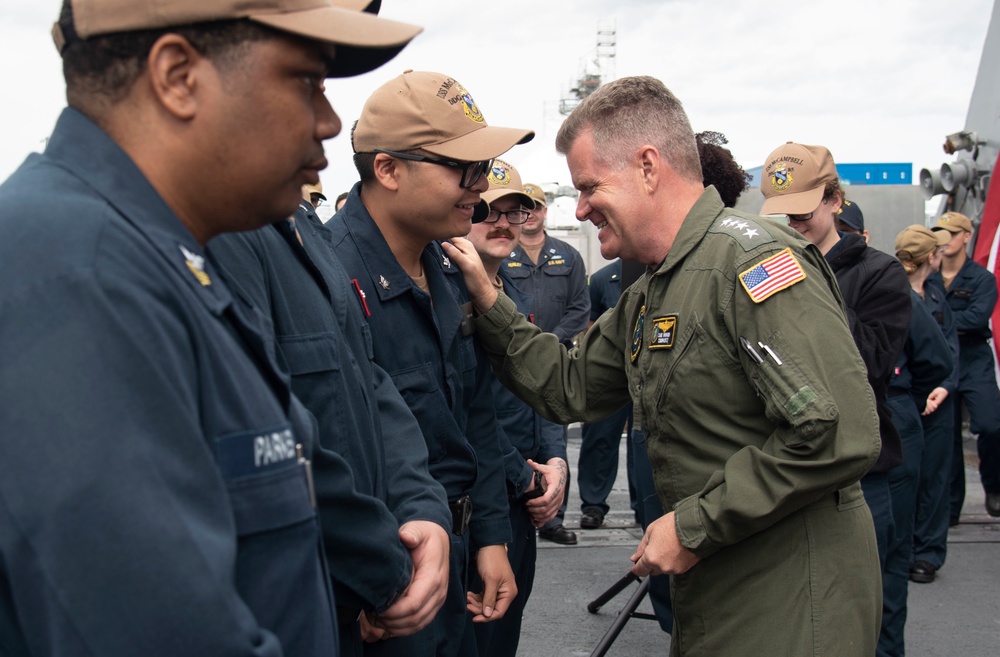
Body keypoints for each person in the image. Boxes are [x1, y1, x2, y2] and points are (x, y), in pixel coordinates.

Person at [0, 1, 422, 655]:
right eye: (305, 81)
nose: (330, 122)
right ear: (177, 76)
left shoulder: (160, 258)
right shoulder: (75, 273)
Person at [443, 75, 882, 656]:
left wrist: (693, 525)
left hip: (787, 594)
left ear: (648, 166)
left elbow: (838, 433)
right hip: (718, 580)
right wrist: (491, 301)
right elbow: (570, 385)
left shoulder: (750, 262)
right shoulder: (658, 286)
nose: (578, 208)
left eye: (589, 186)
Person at [326, 69, 533, 656]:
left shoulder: (446, 273)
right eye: (464, 170)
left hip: (459, 564)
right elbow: (331, 454)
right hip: (391, 585)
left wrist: (491, 535)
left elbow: (477, 418)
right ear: (388, 169)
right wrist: (363, 577)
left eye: (485, 170)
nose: (480, 188)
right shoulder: (331, 282)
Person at [209, 176, 452, 651]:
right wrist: (386, 570)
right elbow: (272, 440)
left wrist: (423, 511)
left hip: (352, 596)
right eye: (308, 95)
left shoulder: (303, 231)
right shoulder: (222, 232)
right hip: (300, 599)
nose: (326, 124)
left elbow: (370, 384)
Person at [759, 147, 912, 569]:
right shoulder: (772, 267)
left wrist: (812, 282)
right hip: (791, 458)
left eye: (803, 213)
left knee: (875, 600)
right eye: (786, 216)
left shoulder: (881, 272)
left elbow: (874, 362)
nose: (794, 225)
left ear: (834, 201)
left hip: (860, 466)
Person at [464, 159, 569, 657]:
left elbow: (542, 384)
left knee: (506, 631)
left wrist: (556, 463)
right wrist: (524, 477)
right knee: (479, 632)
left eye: (515, 212)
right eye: (489, 211)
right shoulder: (446, 295)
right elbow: (466, 409)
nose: (504, 223)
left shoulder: (518, 289)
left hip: (525, 497)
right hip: (483, 497)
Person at [877, 226, 953, 657]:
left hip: (891, 416)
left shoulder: (890, 288)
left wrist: (900, 392)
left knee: (889, 551)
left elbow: (937, 360)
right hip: (885, 412)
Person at [505, 181, 590, 545]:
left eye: (537, 207)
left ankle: (553, 516)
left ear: (543, 212)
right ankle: (520, 503)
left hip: (556, 359)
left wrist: (547, 343)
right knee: (515, 431)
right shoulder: (500, 254)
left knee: (554, 434)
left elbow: (580, 308)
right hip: (509, 360)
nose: (532, 214)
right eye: (525, 209)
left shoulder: (568, 256)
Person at [928, 212, 1000, 520]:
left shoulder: (982, 279)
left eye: (952, 234)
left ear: (966, 237)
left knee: (990, 424)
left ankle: (994, 488)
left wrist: (938, 322)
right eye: (940, 234)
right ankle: (951, 506)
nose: (945, 240)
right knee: (948, 436)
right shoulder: (929, 277)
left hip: (973, 358)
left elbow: (976, 318)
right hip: (942, 359)